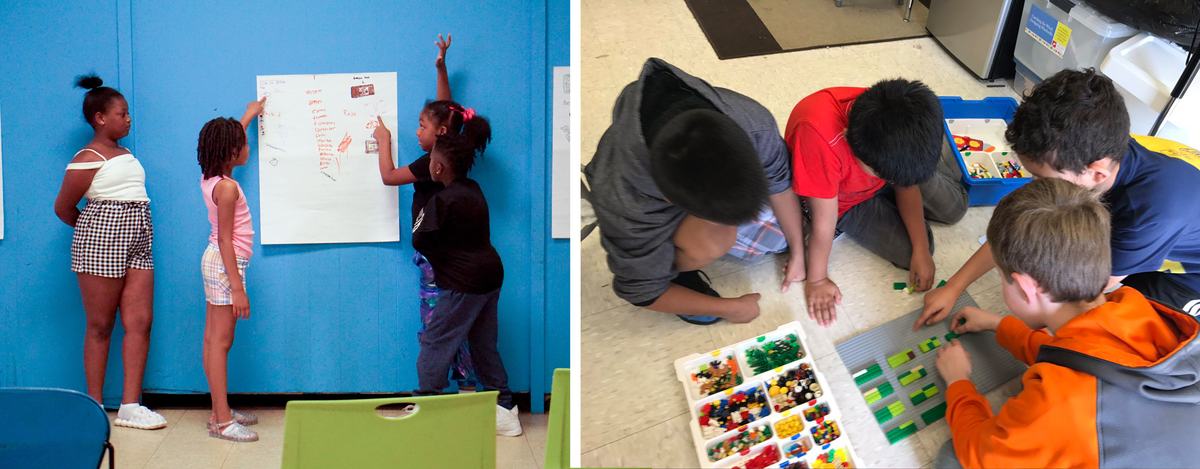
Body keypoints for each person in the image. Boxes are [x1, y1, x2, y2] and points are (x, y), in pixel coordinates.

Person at [933, 177, 1200, 468]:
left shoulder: (1058, 405)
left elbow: (980, 455)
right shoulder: (1136, 307)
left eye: (1000, 276)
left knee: (953, 457)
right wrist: (999, 325)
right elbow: (1086, 356)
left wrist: (957, 381)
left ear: (1025, 287)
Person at [917, 69, 1200, 331]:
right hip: (1158, 229)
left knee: (1121, 323)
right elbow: (1018, 225)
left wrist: (999, 324)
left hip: (1190, 275)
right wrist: (954, 287)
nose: (1033, 187)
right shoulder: (1092, 153)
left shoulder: (1146, 217)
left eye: (1043, 179)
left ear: (1097, 173)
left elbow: (1077, 303)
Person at [584, 58, 806, 325]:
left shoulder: (753, 123)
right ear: (671, 200)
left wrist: (799, 252)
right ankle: (675, 270)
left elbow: (780, 184)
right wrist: (730, 308)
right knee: (710, 243)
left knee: (781, 237)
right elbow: (640, 290)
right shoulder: (625, 201)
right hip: (637, 199)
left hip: (679, 183)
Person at [785, 80, 967, 326]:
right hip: (845, 201)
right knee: (909, 252)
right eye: (884, 175)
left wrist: (921, 249)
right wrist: (817, 280)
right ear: (851, 141)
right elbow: (823, 223)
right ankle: (912, 170)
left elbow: (906, 184)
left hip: (892, 162)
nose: (890, 181)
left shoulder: (891, 115)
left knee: (955, 209)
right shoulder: (821, 138)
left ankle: (918, 164)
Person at [53, 75, 165, 429]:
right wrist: (97, 231)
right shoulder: (86, 158)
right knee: (101, 325)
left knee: (140, 322)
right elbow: (64, 207)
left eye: (128, 113)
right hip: (103, 239)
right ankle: (95, 405)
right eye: (122, 113)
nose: (128, 118)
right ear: (100, 118)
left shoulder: (126, 154)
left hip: (139, 236)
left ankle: (131, 405)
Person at [375, 34, 480, 390]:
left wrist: (383, 141)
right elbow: (446, 108)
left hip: (436, 260)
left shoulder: (429, 164)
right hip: (450, 259)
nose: (417, 130)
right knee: (451, 323)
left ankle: (451, 389)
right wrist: (441, 66)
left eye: (422, 126)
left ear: (441, 133)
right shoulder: (454, 151)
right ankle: (465, 386)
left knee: (437, 325)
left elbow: (389, 176)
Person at [412, 128, 522, 436]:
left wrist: (445, 260)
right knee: (482, 342)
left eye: (431, 158)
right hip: (490, 275)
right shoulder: (473, 188)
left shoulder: (442, 200)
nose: (429, 162)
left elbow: (419, 239)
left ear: (437, 167)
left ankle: (427, 409)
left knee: (435, 341)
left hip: (465, 283)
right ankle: (504, 410)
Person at [195, 99, 265, 442]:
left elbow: (228, 139)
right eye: (244, 144)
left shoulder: (213, 177)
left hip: (218, 262)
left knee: (214, 340)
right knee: (220, 342)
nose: (248, 147)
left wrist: (249, 116)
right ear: (231, 151)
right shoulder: (227, 187)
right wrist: (237, 287)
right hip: (226, 263)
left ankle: (218, 410)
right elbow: (225, 240)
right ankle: (222, 422)